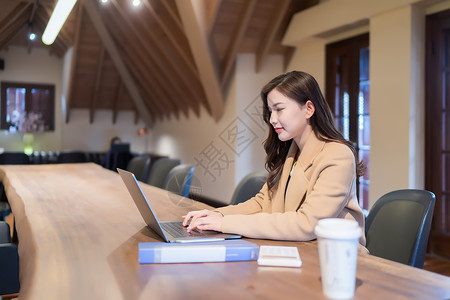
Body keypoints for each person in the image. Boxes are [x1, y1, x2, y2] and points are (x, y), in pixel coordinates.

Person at [183, 71, 366, 246]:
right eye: (271, 111)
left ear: (309, 109)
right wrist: (216, 215)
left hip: (336, 258)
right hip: (299, 249)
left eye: (279, 109)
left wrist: (224, 224)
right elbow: (263, 203)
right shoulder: (291, 152)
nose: (272, 119)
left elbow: (307, 224)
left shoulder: (337, 155)